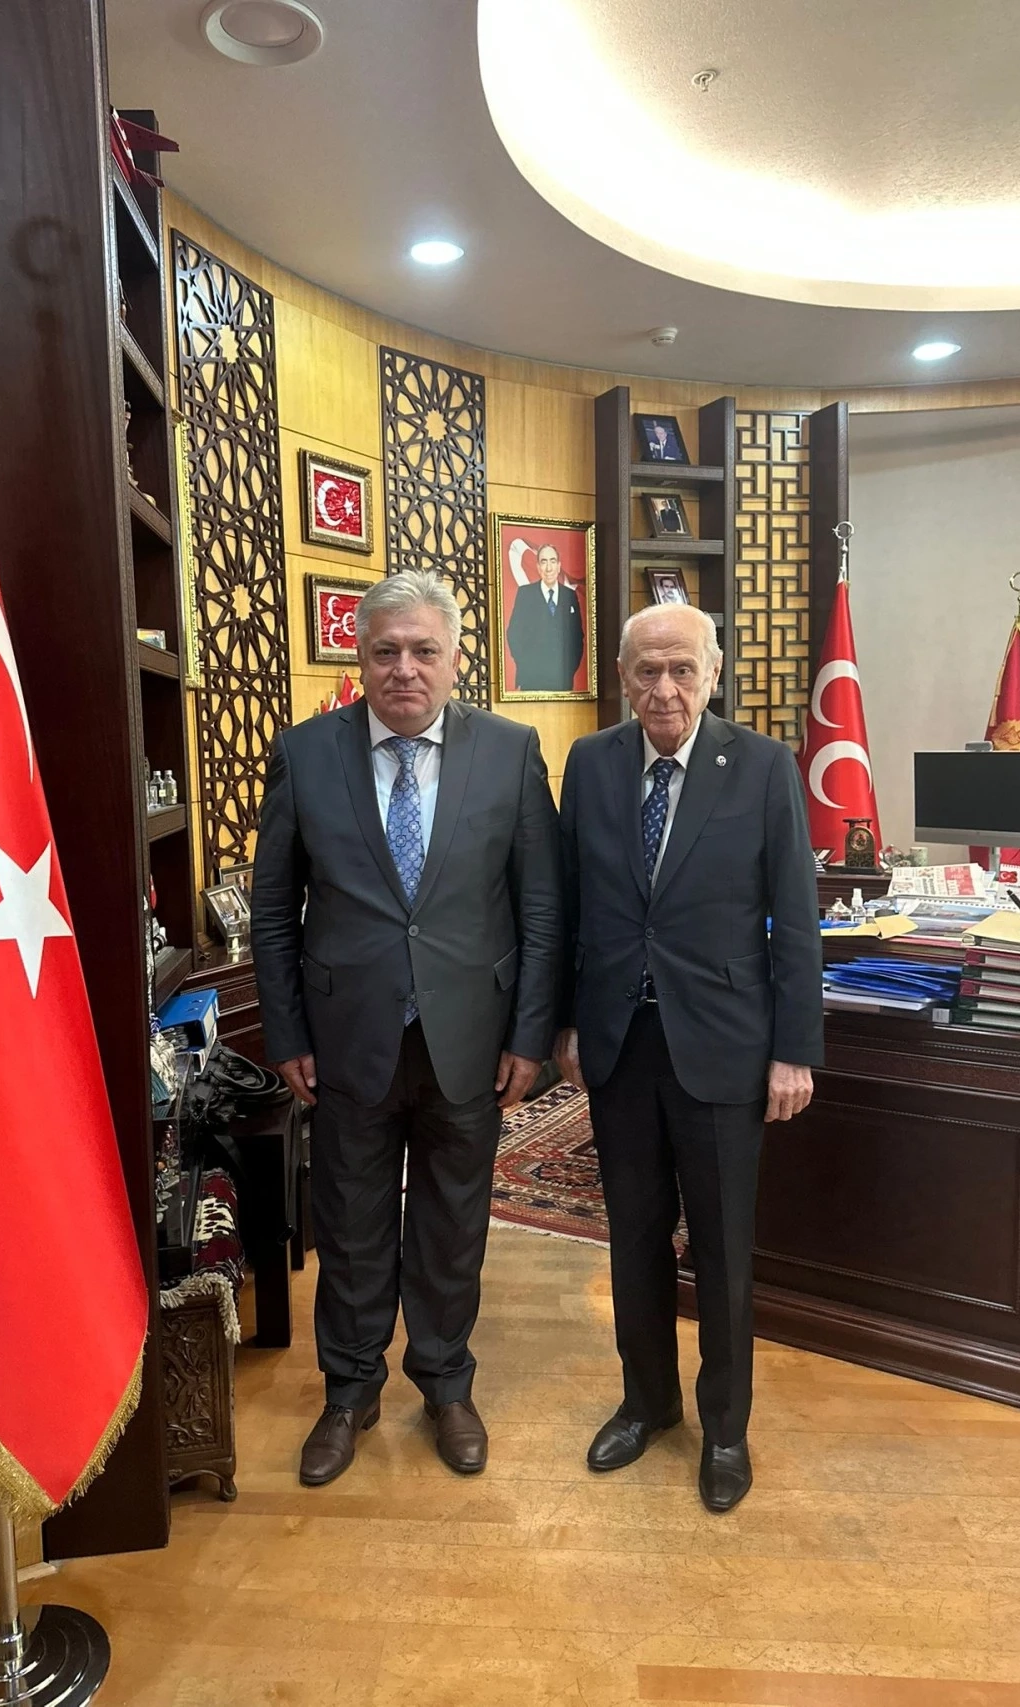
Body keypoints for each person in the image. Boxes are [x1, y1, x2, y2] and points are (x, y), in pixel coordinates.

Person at [251, 569, 562, 1486]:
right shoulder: (306, 754)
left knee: (452, 1221)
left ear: (456, 657)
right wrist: (285, 1032)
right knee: (348, 1221)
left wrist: (530, 1036)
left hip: (472, 1037)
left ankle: (445, 1382)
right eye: (386, 650)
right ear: (360, 657)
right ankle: (348, 1390)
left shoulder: (510, 752)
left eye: (425, 650)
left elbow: (542, 910)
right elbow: (273, 912)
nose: (405, 668)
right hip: (346, 1039)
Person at [555, 604, 822, 1513]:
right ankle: (647, 1402)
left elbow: (796, 917)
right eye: (646, 670)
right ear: (621, 676)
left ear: (713, 673)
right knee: (632, 1235)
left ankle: (726, 1428)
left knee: (721, 1247)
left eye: (681, 669)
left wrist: (794, 1049)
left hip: (725, 1045)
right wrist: (565, 1023)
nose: (663, 688)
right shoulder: (590, 763)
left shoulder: (764, 766)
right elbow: (567, 905)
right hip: (619, 1043)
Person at [505, 544, 585, 693]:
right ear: (538, 567)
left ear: (559, 566)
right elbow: (513, 634)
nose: (549, 568)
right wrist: (525, 666)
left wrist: (568, 670)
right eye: (544, 562)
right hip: (531, 681)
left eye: (552, 561)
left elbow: (578, 638)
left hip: (562, 682)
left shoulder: (570, 596)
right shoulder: (525, 594)